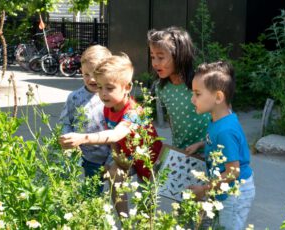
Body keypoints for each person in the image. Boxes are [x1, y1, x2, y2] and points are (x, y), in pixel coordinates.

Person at [59, 53, 162, 215]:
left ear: (127, 87)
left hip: (150, 160)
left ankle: (145, 223)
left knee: (146, 200)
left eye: (110, 88)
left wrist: (82, 138)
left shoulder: (134, 112)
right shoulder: (109, 106)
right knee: (114, 175)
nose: (103, 93)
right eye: (100, 87)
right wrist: (114, 157)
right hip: (129, 156)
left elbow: (115, 134)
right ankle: (125, 220)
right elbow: (116, 142)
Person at [187, 61, 255, 230]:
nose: (192, 99)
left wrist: (203, 189)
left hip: (235, 193)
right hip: (226, 188)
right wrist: (202, 144)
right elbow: (223, 144)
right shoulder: (221, 118)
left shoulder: (225, 131)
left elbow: (233, 171)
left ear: (218, 97)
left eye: (197, 94)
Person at [147, 26, 210, 153]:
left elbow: (221, 113)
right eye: (153, 57)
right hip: (182, 152)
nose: (155, 63)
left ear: (179, 56)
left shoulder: (200, 82)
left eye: (160, 57)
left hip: (208, 150)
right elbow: (172, 119)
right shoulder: (161, 87)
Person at [59, 45, 112, 186]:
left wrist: (112, 159)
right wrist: (67, 140)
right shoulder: (74, 97)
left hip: (104, 156)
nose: (91, 79)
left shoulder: (111, 97)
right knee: (71, 188)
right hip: (79, 154)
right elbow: (66, 121)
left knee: (95, 191)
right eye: (86, 74)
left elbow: (118, 129)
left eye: (96, 74)